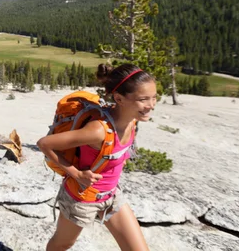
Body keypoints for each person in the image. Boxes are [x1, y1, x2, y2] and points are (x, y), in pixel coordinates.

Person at [37, 63, 155, 251]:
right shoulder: (98, 130)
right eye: (143, 99)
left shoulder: (132, 121)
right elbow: (44, 143)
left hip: (111, 195)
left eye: (154, 97)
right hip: (82, 198)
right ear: (119, 98)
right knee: (62, 244)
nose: (151, 105)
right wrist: (76, 174)